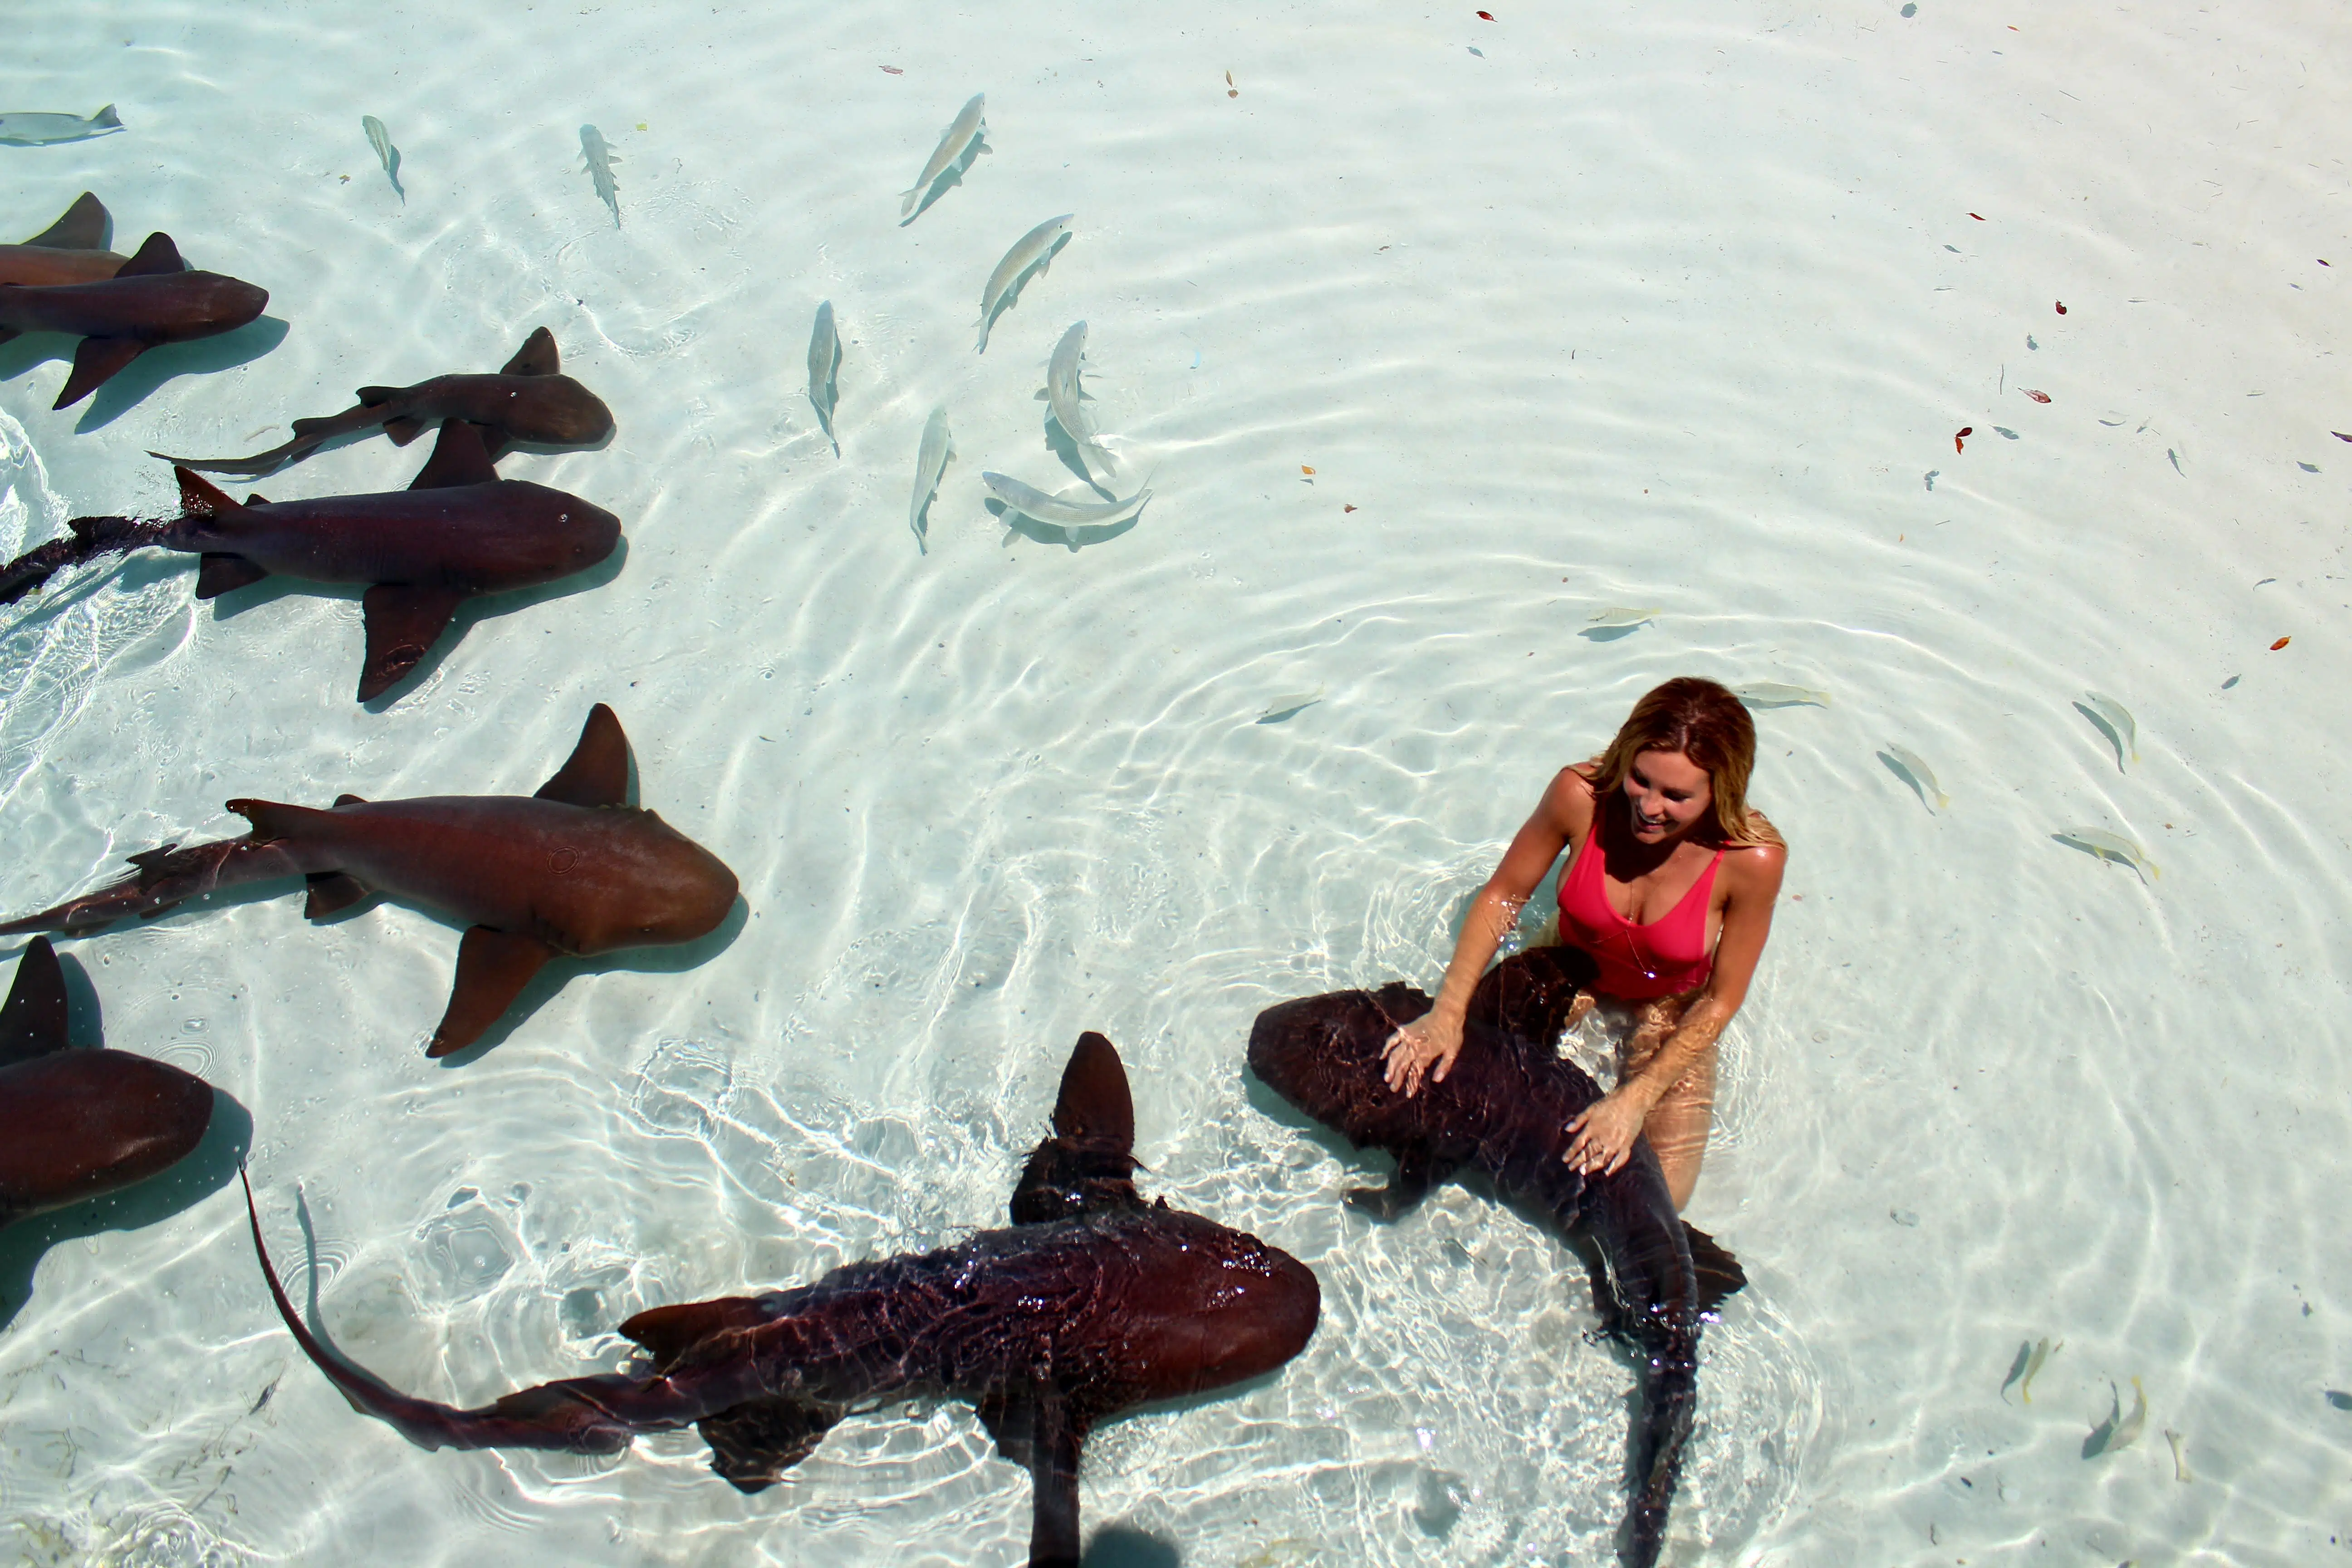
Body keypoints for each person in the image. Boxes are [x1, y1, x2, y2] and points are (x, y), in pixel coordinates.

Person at [1380, 677, 1786, 1210]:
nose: (1648, 806)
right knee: (1436, 1091)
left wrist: (1635, 1100)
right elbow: (1504, 896)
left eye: (1677, 796)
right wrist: (1448, 1010)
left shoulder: (1751, 860)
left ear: (1721, 792)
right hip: (1567, 967)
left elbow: (1721, 1000)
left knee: (1660, 1196)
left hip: (1670, 1004)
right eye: (1641, 779)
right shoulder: (1582, 796)